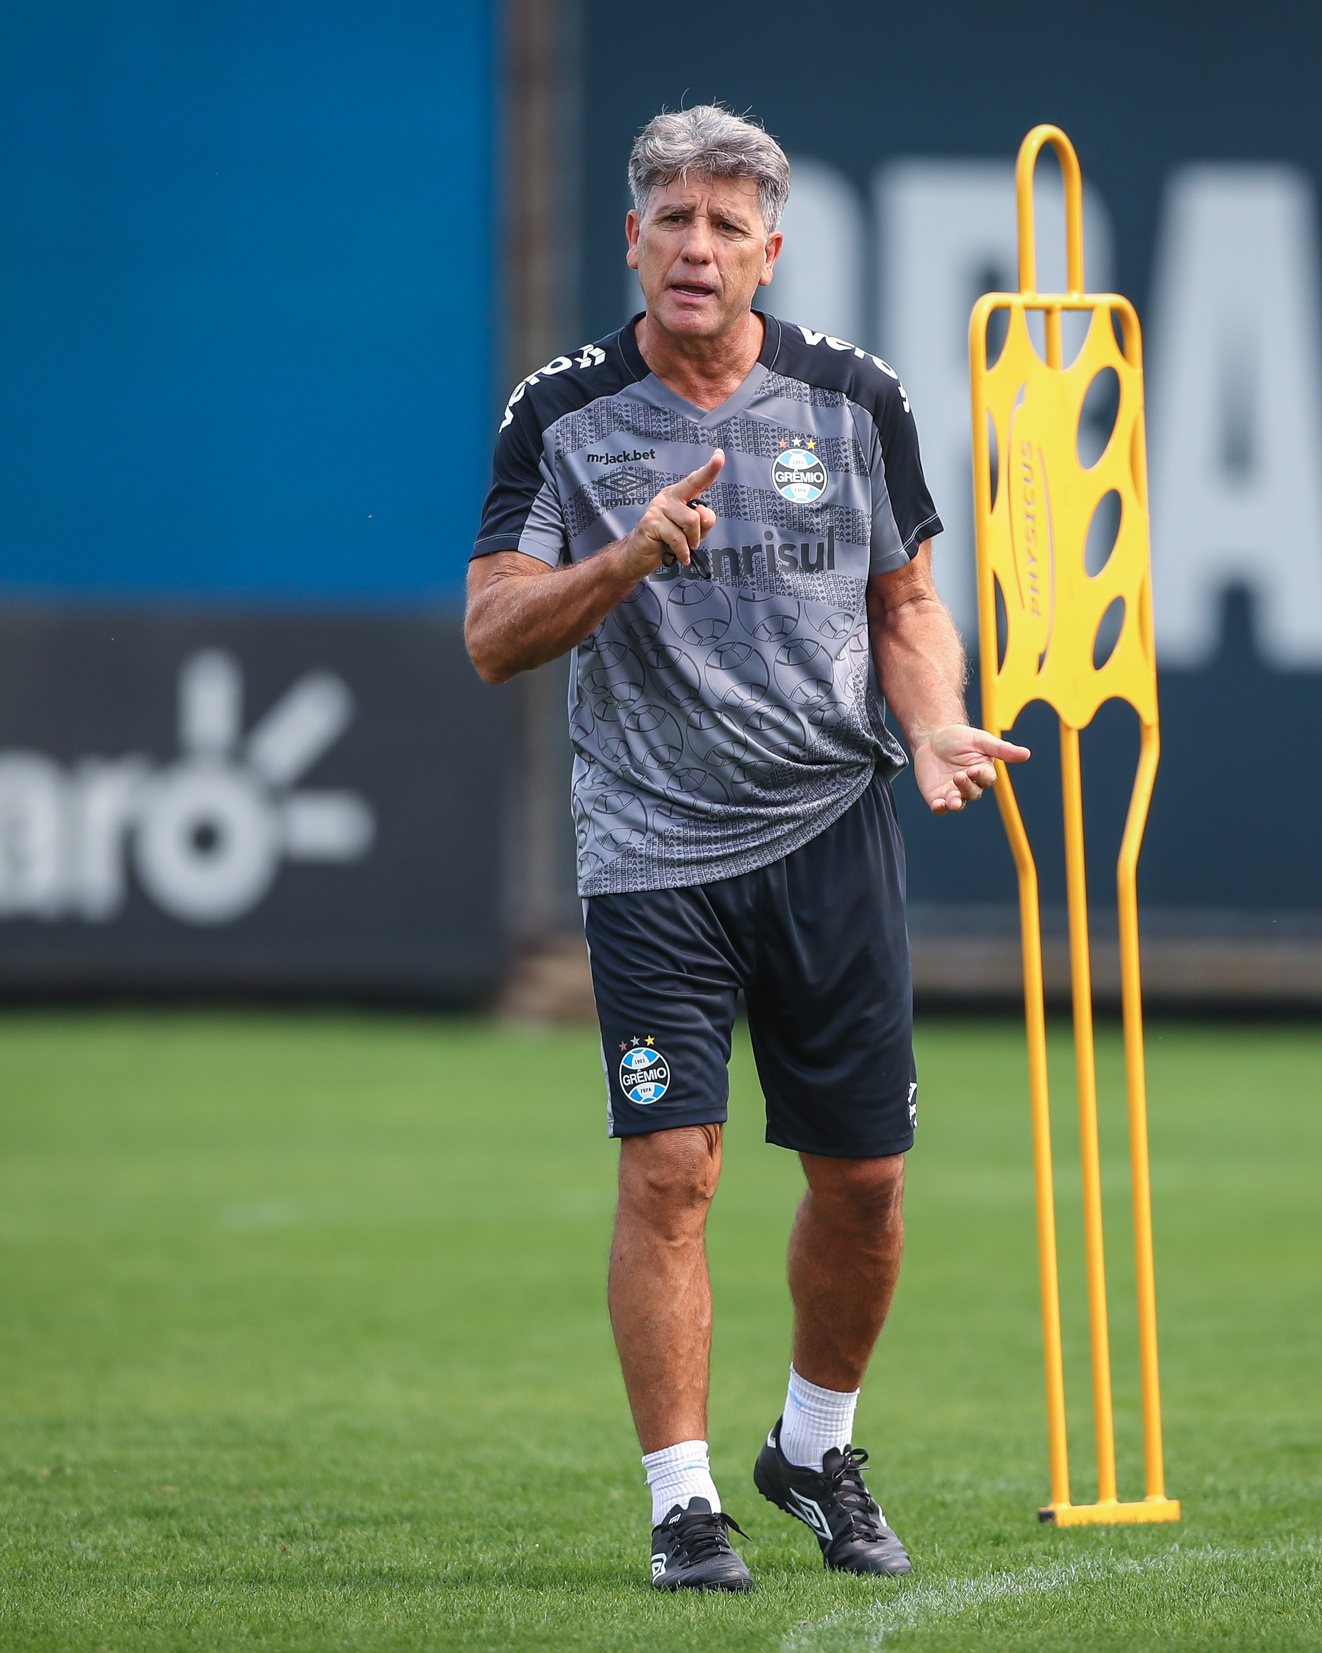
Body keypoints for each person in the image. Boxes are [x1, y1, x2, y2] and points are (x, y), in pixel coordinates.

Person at [464, 105, 1027, 1592]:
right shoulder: (561, 412)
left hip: (830, 831)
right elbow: (491, 637)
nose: (696, 247)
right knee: (671, 1171)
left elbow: (905, 603)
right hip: (652, 844)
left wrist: (937, 724)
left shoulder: (853, 401)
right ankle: (681, 1500)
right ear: (631, 238)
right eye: (672, 219)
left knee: (866, 1184)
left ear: (771, 248)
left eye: (727, 223)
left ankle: (815, 1445)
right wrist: (624, 556)